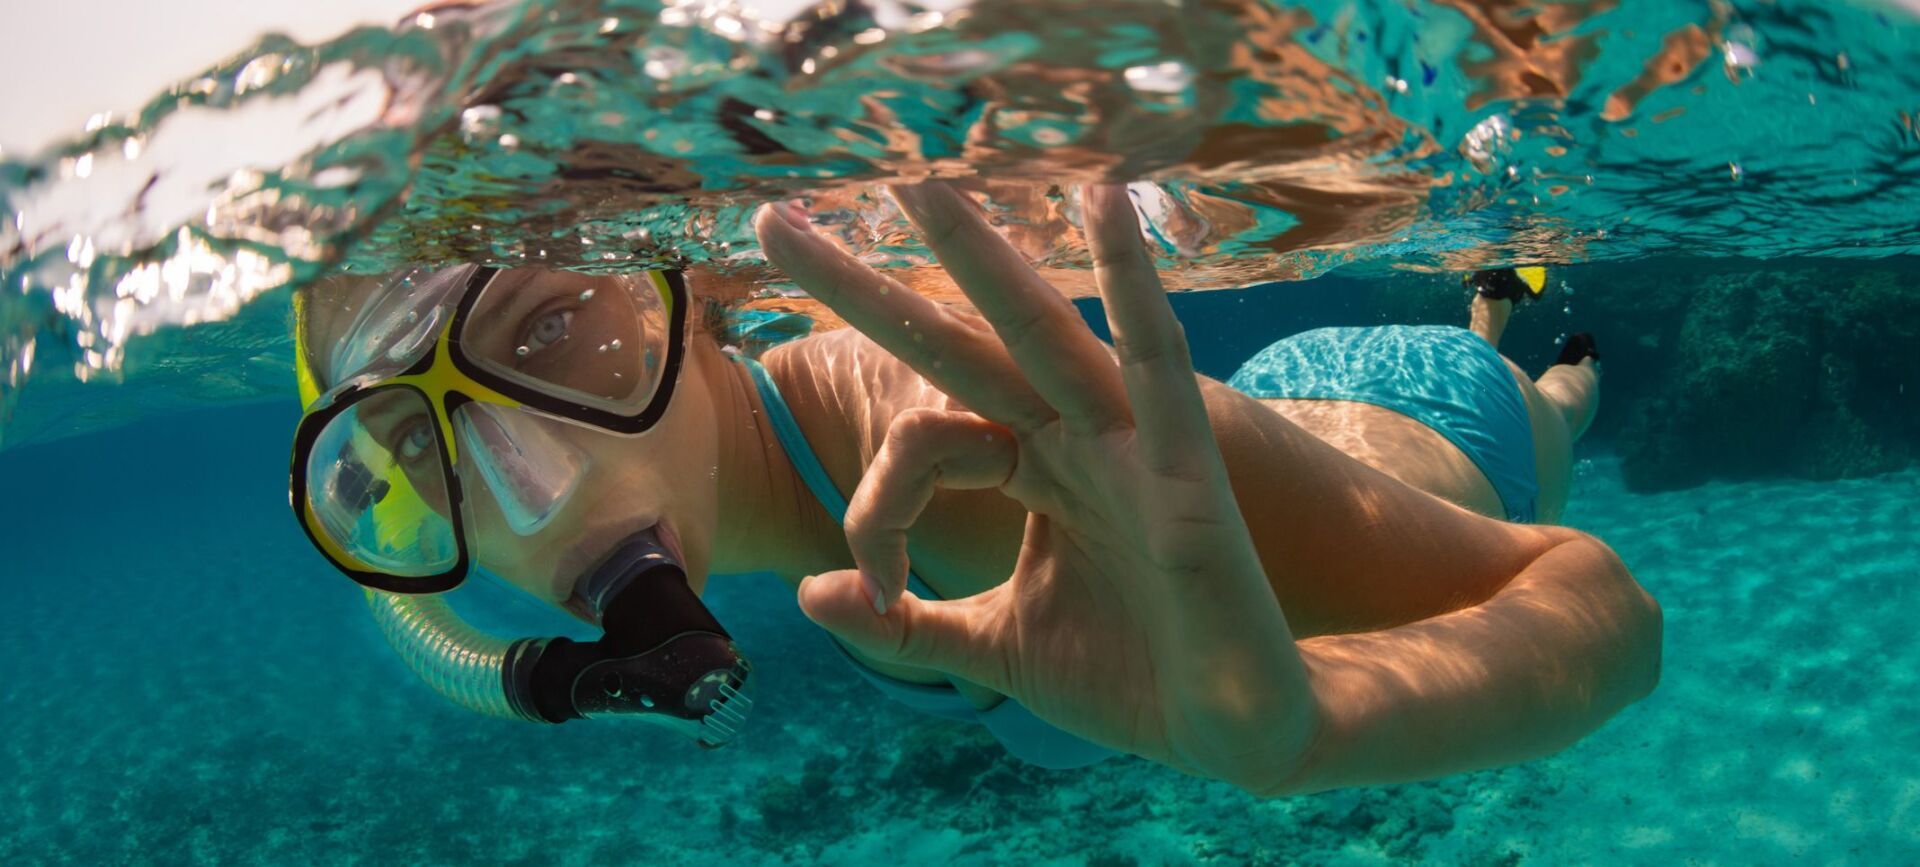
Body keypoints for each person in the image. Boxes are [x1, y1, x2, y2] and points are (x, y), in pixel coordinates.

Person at [288, 182, 1658, 797]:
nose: (530, 496)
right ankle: (1492, 309)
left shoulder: (942, 433)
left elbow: (1592, 604)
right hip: (1304, 391)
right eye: (416, 454)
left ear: (691, 305)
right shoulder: (784, 482)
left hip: (1436, 428)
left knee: (1553, 424)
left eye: (552, 332)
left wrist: (1322, 729)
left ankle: (1529, 345)